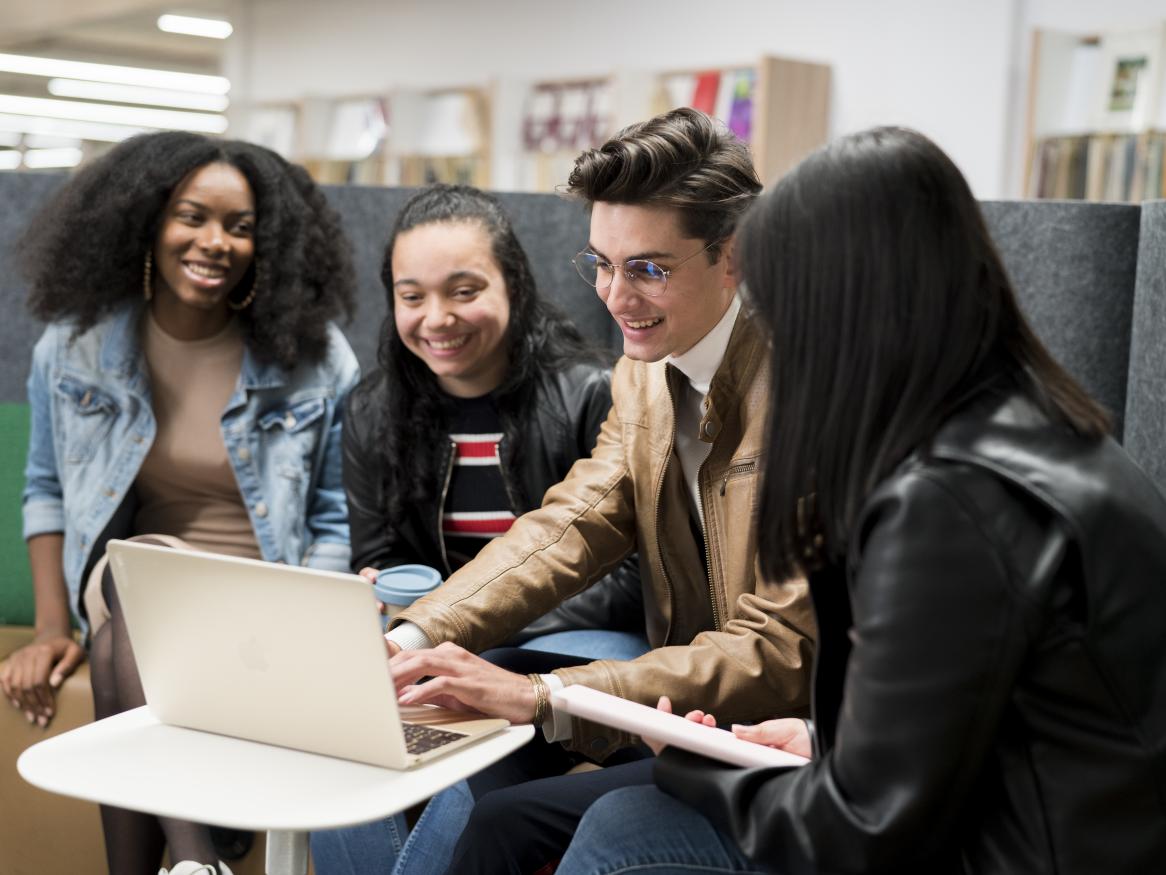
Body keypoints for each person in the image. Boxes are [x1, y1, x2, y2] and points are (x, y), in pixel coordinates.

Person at [552, 126, 1166, 874]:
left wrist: (695, 763)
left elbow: (858, 835)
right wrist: (823, 745)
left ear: (842, 311)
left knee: (624, 831)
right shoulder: (1031, 427)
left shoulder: (946, 504)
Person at [368, 107, 815, 875]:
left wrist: (543, 693)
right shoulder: (643, 372)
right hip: (686, 711)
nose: (614, 295)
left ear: (734, 256)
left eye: (649, 268)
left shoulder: (807, 393)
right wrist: (412, 637)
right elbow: (570, 525)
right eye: (600, 263)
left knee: (516, 814)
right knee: (477, 779)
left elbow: (777, 651)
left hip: (786, 734)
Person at [0, 131, 360, 875]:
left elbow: (333, 512)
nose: (214, 241)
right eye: (192, 216)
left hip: (264, 593)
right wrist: (43, 626)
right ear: (147, 220)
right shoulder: (74, 347)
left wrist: (307, 615)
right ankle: (201, 859)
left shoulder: (316, 358)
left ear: (269, 243)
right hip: (130, 577)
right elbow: (46, 489)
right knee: (145, 584)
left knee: (115, 648)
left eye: (240, 226)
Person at [310, 183, 648, 873]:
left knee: (474, 700)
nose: (436, 318)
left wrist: (476, 638)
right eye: (412, 295)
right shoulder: (374, 409)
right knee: (338, 732)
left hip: (580, 637)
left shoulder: (592, 391)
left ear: (513, 285)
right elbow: (380, 553)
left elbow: (629, 581)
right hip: (443, 636)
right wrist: (386, 598)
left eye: (463, 290)